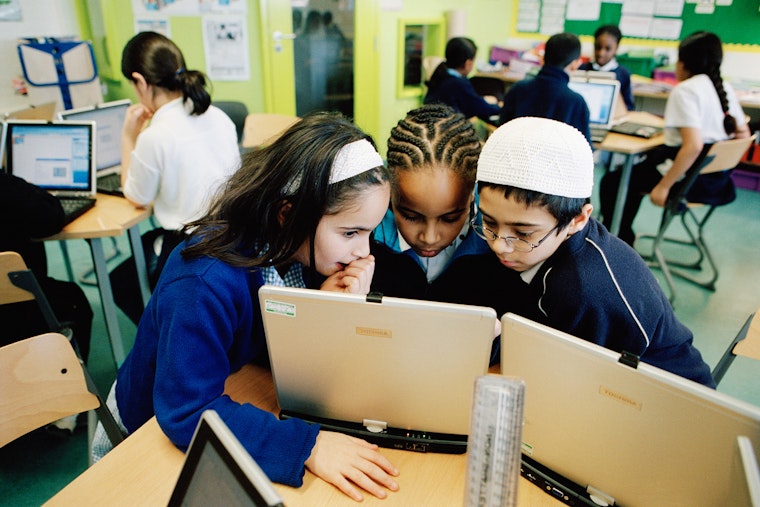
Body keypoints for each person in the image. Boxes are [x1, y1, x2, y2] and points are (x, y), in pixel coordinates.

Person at [92, 112, 400, 502]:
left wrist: (325, 312)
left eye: (369, 232)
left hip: (224, 391)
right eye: (350, 233)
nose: (363, 250)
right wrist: (310, 447)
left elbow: (273, 353)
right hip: (140, 433)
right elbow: (188, 411)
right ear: (288, 214)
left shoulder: (292, 248)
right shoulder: (202, 281)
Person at [471, 116, 715, 387]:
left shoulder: (585, 291)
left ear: (577, 220)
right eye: (489, 222)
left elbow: (582, 387)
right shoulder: (540, 245)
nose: (499, 244)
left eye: (524, 234)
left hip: (662, 398)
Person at [111, 31, 241, 324]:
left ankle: (163, 330)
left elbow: (136, 196)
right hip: (234, 236)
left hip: (191, 247)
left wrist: (128, 136)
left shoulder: (154, 136)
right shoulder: (219, 117)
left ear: (141, 82)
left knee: (121, 280)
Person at [599, 31, 750, 246]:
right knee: (631, 176)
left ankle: (618, 241)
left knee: (615, 180)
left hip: (688, 180)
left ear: (684, 63)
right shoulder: (723, 88)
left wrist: (664, 187)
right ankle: (621, 237)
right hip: (717, 180)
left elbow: (693, 146)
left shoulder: (685, 90)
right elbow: (743, 134)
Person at [0, 171, 94, 434]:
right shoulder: (8, 189)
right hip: (16, 313)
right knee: (73, 302)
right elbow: (51, 214)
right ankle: (64, 412)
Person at [371, 104, 490, 299]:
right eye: (411, 216)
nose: (429, 238)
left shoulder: (495, 241)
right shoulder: (364, 237)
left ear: (471, 194)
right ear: (390, 191)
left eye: (450, 218)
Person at [499, 32, 591, 145]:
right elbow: (585, 151)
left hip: (515, 160)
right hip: (556, 162)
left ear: (543, 58)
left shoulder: (516, 90)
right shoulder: (576, 102)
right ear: (575, 64)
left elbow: (501, 133)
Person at [424, 37, 501, 125]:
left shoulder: (440, 73)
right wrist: (499, 106)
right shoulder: (459, 83)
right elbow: (479, 108)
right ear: (468, 63)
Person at [579, 24, 635, 112]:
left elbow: (629, 107)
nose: (601, 53)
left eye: (608, 49)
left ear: (616, 48)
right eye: (598, 47)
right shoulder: (582, 68)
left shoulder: (623, 73)